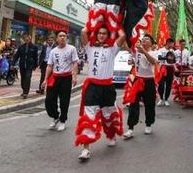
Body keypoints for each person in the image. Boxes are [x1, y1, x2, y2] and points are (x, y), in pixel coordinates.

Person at [75, 26, 126, 161]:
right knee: (89, 116)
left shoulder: (112, 48)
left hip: (108, 87)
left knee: (109, 114)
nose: (101, 35)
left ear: (108, 35)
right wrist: (96, 21)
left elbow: (123, 36)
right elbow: (83, 31)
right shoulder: (89, 47)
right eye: (99, 33)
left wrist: (115, 24)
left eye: (104, 33)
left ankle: (111, 135)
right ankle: (85, 149)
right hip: (92, 87)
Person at [123, 34, 158, 139]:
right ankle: (130, 128)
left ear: (151, 43)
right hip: (138, 80)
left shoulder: (155, 52)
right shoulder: (136, 50)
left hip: (149, 81)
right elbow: (126, 45)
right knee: (133, 104)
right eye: (143, 39)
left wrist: (144, 52)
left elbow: (153, 62)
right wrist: (124, 33)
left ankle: (148, 124)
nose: (144, 40)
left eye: (147, 39)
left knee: (149, 104)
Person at [41, 32, 78, 131]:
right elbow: (49, 66)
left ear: (66, 38)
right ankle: (55, 116)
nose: (62, 38)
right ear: (57, 39)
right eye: (60, 36)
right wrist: (45, 79)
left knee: (64, 101)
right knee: (49, 100)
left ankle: (62, 121)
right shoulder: (53, 51)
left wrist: (74, 77)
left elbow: (75, 63)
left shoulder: (72, 49)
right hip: (55, 77)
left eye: (64, 36)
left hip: (66, 77)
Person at [13, 35, 39, 99]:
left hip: (29, 66)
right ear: (24, 40)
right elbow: (17, 56)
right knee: (23, 79)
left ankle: (25, 93)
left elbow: (36, 57)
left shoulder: (34, 47)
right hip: (22, 65)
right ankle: (24, 89)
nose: (27, 40)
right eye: (25, 39)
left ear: (30, 39)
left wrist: (35, 65)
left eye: (28, 39)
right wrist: (13, 63)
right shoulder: (21, 47)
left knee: (27, 77)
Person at [156, 38, 176, 107]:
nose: (173, 45)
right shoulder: (161, 50)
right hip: (163, 68)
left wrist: (175, 67)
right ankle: (161, 98)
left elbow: (174, 61)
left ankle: (166, 99)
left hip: (170, 69)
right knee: (161, 84)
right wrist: (167, 58)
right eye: (172, 43)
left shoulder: (173, 51)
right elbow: (159, 57)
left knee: (169, 85)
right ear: (168, 43)